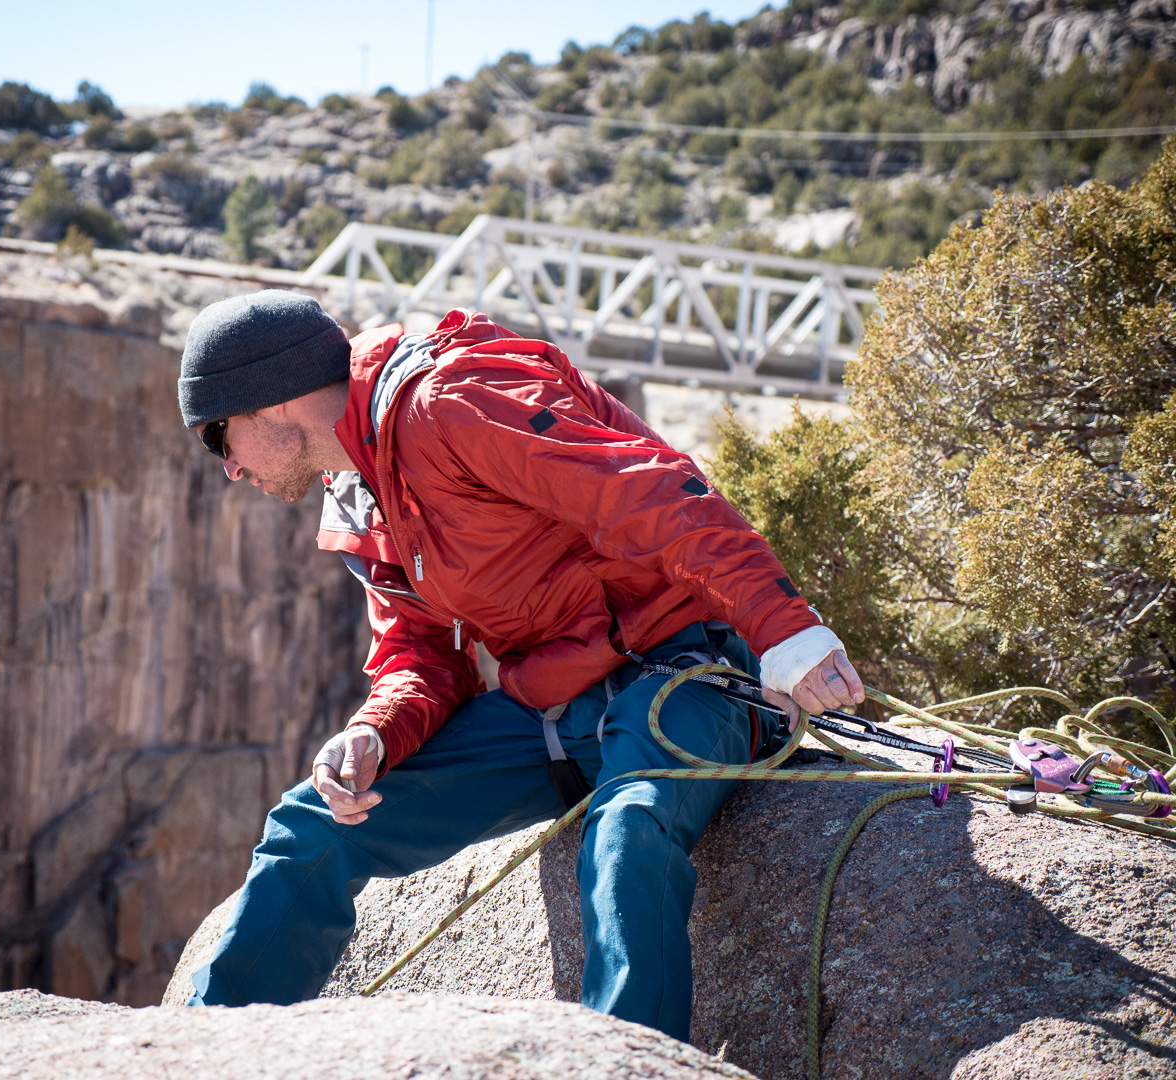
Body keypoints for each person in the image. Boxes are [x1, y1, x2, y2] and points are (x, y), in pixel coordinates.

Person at [176, 289, 863, 1041]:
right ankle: (205, 1048)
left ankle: (623, 1061)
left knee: (629, 827)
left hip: (684, 670)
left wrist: (786, 632)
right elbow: (422, 654)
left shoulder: (453, 401)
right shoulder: (358, 488)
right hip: (555, 712)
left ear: (274, 399)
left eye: (218, 436)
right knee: (314, 824)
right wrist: (374, 732)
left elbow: (654, 492)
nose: (228, 467)